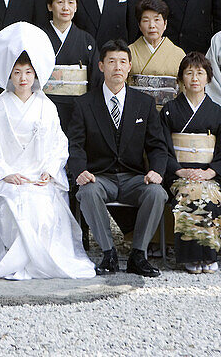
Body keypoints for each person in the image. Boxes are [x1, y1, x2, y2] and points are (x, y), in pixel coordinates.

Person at [0, 22, 96, 280]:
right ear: (9, 75)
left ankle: (37, 263)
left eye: (28, 72)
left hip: (38, 178)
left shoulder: (46, 107)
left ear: (36, 74)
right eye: (17, 72)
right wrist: (4, 174)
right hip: (8, 179)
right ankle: (16, 261)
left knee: (40, 207)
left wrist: (49, 170)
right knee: (13, 206)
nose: (23, 78)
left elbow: (59, 144)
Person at [66, 39, 170, 277]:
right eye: (111, 62)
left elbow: (157, 146)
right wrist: (80, 170)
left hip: (134, 178)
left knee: (157, 193)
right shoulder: (84, 104)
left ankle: (138, 255)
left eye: (123, 62)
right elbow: (75, 145)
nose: (117, 67)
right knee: (87, 191)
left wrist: (156, 170)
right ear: (101, 66)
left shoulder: (143, 103)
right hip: (100, 177)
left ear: (130, 66)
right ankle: (108, 253)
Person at [162, 52, 221, 274]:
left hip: (209, 175)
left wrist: (211, 172)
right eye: (189, 73)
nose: (195, 78)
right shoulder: (169, 111)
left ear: (208, 78)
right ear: (181, 78)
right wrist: (179, 170)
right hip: (180, 175)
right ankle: (192, 258)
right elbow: (160, 148)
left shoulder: (217, 113)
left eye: (200, 73)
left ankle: (209, 255)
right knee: (190, 195)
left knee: (213, 198)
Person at [41, 0, 100, 131]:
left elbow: (95, 80)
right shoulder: (39, 38)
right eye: (60, 2)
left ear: (76, 7)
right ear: (50, 6)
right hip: (44, 106)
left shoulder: (86, 40)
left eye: (71, 2)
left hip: (78, 109)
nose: (65, 8)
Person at [128, 0, 186, 110]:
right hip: (136, 111)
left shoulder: (178, 54)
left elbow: (184, 90)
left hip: (169, 113)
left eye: (157, 20)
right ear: (139, 25)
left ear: (165, 24)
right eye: (145, 20)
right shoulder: (129, 52)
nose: (152, 25)